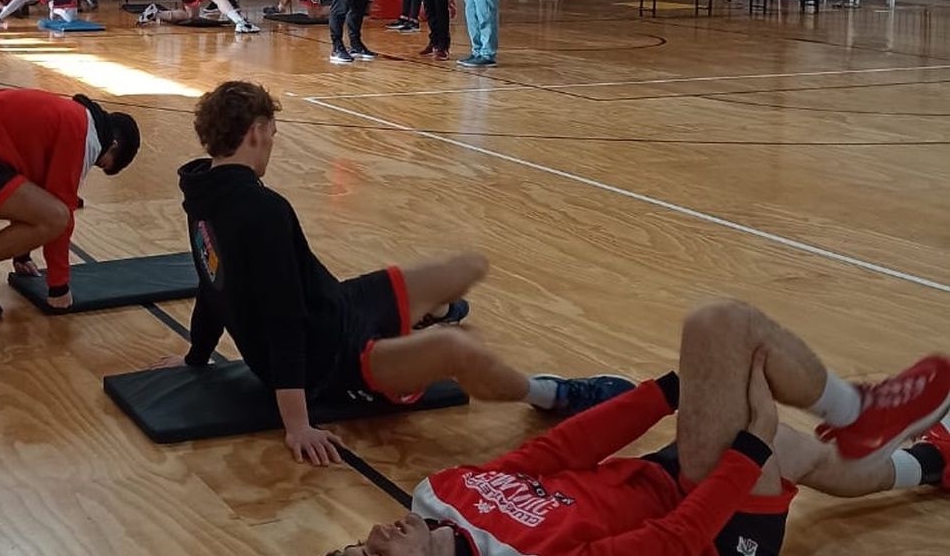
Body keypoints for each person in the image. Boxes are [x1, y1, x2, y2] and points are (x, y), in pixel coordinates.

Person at [311, 301, 950, 556]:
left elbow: (556, 449)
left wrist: (665, 393)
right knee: (721, 332)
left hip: (663, 479)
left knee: (794, 449)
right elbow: (673, 545)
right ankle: (860, 414)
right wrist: (746, 450)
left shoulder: (437, 499)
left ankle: (929, 461)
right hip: (713, 547)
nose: (378, 533)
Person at [155, 81, 633, 465]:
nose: (272, 147)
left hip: (337, 305)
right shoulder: (262, 208)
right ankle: (552, 395)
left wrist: (197, 356)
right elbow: (280, 320)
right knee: (458, 348)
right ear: (257, 131)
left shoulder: (203, 192)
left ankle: (423, 319)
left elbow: (209, 277)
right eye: (274, 136)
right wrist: (297, 424)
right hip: (335, 359)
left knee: (466, 267)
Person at [0, 89, 141, 319]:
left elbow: (28, 191)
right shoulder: (83, 134)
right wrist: (58, 287)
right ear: (112, 145)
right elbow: (60, 217)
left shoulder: (72, 115)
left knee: (8, 195)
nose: (94, 164)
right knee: (57, 216)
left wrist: (22, 254)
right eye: (102, 164)